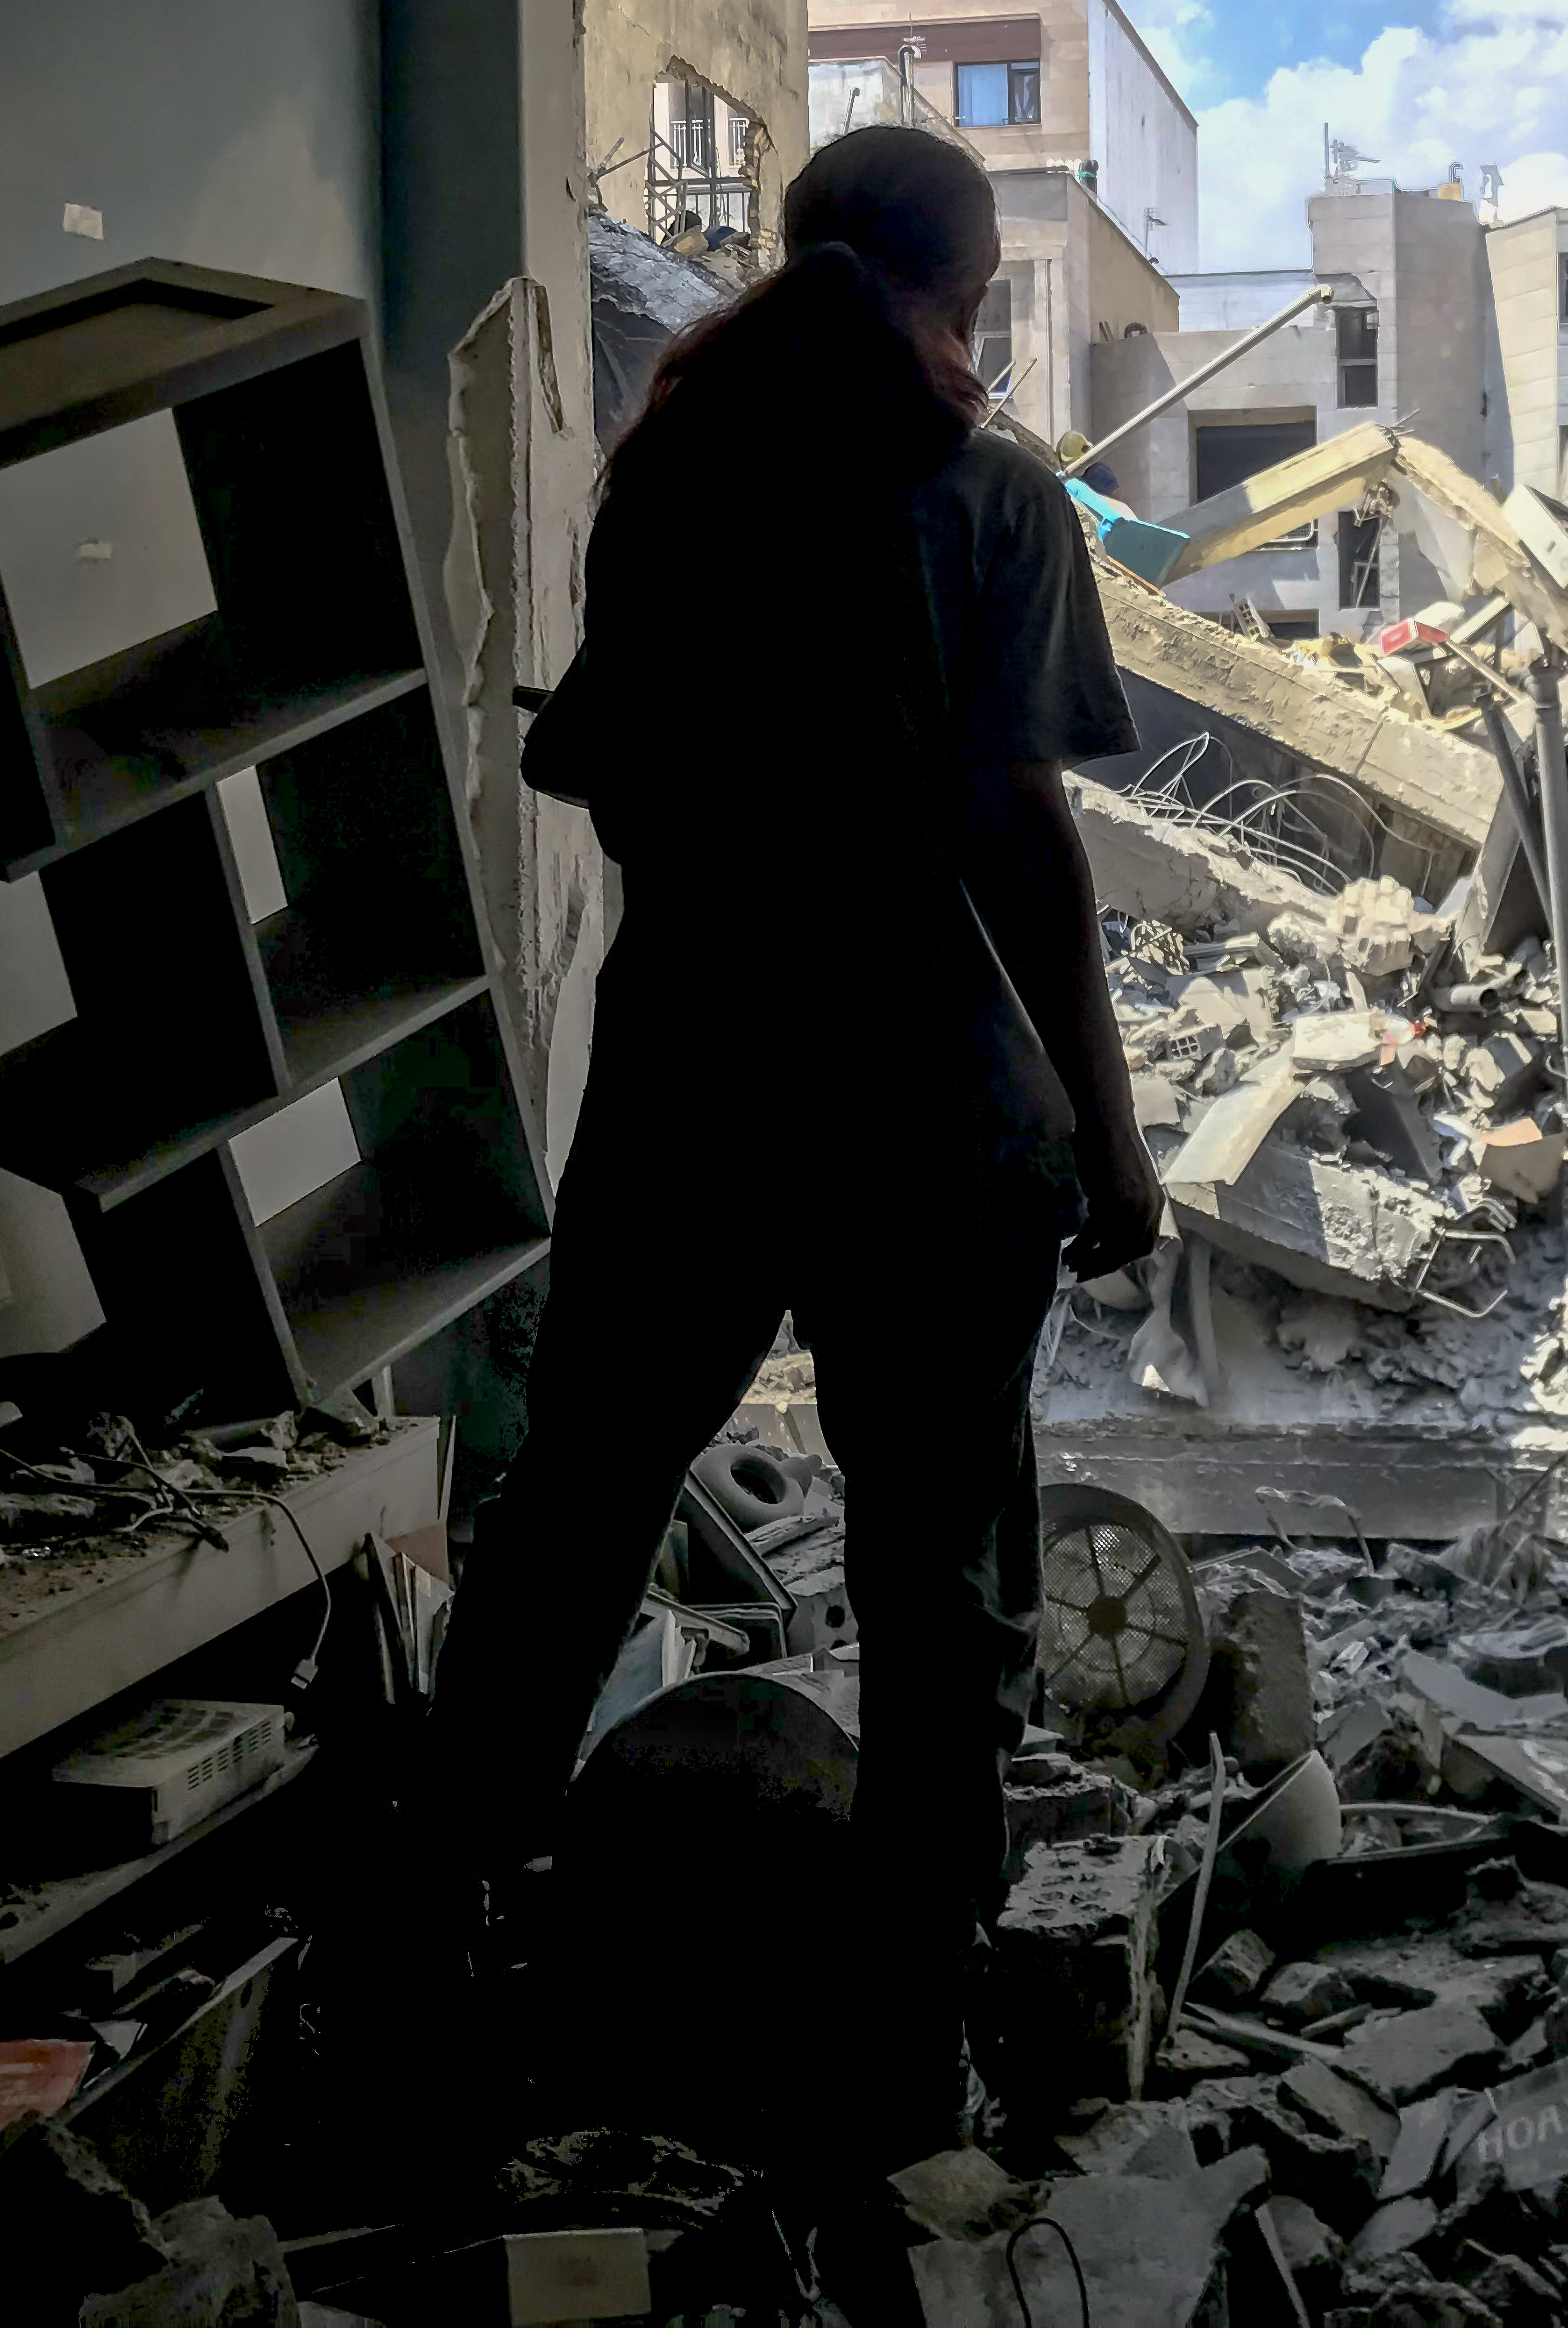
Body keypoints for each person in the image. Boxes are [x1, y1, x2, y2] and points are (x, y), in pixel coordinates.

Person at [434, 126, 1164, 2171]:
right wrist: (1112, 1135)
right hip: (929, 1116)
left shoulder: (674, 475)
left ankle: (435, 1944)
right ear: (972, 290)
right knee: (939, 1587)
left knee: (580, 1512)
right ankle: (901, 2045)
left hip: (692, 1093)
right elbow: (1024, 839)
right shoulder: (991, 498)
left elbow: (621, 790)